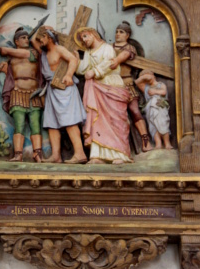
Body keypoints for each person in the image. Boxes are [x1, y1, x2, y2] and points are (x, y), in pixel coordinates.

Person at [74, 27, 132, 165]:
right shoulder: (88, 52)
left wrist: (95, 72)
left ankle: (119, 153)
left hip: (111, 85)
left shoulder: (107, 48)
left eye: (86, 36)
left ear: (94, 35)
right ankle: (97, 155)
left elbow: (109, 63)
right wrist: (77, 61)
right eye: (82, 38)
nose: (84, 40)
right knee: (97, 119)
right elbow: (83, 69)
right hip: (96, 89)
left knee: (115, 120)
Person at [32, 28, 87, 164]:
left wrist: (68, 75)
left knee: (70, 121)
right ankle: (56, 156)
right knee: (52, 123)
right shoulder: (44, 53)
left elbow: (73, 60)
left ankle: (80, 154)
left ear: (48, 37)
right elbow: (33, 39)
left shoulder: (59, 49)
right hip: (51, 89)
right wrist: (43, 26)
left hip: (64, 88)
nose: (39, 42)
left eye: (42, 38)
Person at [0, 27, 44, 162]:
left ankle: (37, 153)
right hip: (17, 92)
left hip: (33, 92)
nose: (26, 40)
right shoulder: (11, 58)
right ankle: (18, 154)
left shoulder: (33, 53)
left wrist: (6, 51)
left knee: (35, 124)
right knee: (19, 124)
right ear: (16, 41)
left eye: (26, 37)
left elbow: (4, 50)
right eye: (23, 38)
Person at [110, 21, 153, 152]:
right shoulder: (109, 47)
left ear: (127, 35)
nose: (118, 34)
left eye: (121, 32)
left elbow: (125, 56)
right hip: (112, 84)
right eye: (117, 31)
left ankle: (145, 141)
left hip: (126, 83)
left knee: (134, 111)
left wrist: (116, 60)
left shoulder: (129, 48)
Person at [135, 70, 173, 149]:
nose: (147, 78)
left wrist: (155, 91)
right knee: (153, 126)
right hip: (150, 109)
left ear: (154, 76)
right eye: (144, 77)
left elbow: (164, 92)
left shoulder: (160, 84)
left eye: (148, 75)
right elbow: (137, 82)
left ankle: (167, 143)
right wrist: (145, 76)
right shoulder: (146, 88)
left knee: (163, 123)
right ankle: (158, 143)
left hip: (160, 107)